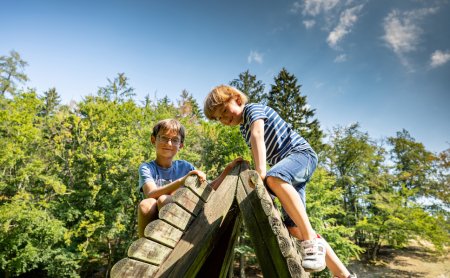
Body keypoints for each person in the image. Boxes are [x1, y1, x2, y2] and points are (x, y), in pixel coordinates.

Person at [203, 85, 356, 278]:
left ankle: (310, 241)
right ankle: (343, 274)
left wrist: (260, 173)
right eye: (220, 118)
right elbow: (255, 145)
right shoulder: (243, 128)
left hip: (301, 155)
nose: (225, 119)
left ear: (238, 100)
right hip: (289, 172)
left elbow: (258, 135)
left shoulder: (253, 110)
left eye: (225, 111)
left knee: (274, 178)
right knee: (294, 227)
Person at [138, 119, 241, 238]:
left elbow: (206, 190)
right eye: (164, 138)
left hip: (180, 223)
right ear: (153, 139)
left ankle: (174, 239)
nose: (169, 143)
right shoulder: (147, 168)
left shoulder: (185, 167)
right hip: (153, 223)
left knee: (164, 200)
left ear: (181, 145)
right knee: (147, 204)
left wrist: (227, 170)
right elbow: (150, 193)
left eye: (175, 140)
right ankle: (145, 244)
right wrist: (182, 180)